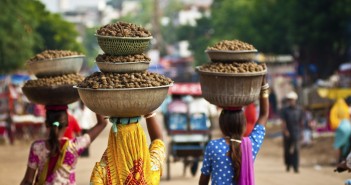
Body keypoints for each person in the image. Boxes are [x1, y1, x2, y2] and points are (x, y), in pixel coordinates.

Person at [199, 78, 269, 185]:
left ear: (222, 125)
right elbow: (264, 115)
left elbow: (203, 180)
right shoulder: (251, 145)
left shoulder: (213, 146)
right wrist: (263, 86)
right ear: (243, 125)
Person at [20, 105, 108, 185]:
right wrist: (93, 98)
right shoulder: (74, 146)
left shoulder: (37, 147)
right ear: (67, 124)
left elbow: (28, 181)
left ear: (46, 123)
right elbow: (102, 123)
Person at [90, 112, 165, 184]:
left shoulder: (101, 174)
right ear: (140, 139)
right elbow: (158, 140)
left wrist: (112, 151)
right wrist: (149, 113)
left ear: (113, 139)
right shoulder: (151, 169)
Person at [280, 91, 304, 173]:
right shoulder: (284, 110)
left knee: (296, 150)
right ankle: (288, 164)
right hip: (287, 132)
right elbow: (283, 122)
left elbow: (301, 122)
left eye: (292, 100)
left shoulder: (300, 110)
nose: (291, 101)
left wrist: (302, 132)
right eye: (289, 100)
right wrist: (285, 130)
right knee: (287, 150)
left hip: (296, 132)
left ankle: (296, 167)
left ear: (295, 100)